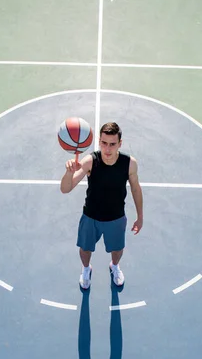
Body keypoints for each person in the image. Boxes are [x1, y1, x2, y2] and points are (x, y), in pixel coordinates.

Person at [60, 122, 143, 289]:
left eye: (112, 144)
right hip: (90, 216)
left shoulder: (129, 163)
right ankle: (85, 269)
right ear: (99, 141)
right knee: (84, 249)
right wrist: (68, 173)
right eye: (104, 143)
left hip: (116, 217)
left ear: (120, 143)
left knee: (118, 249)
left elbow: (135, 188)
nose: (107, 149)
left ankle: (114, 266)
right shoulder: (90, 161)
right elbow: (66, 189)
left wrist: (140, 217)